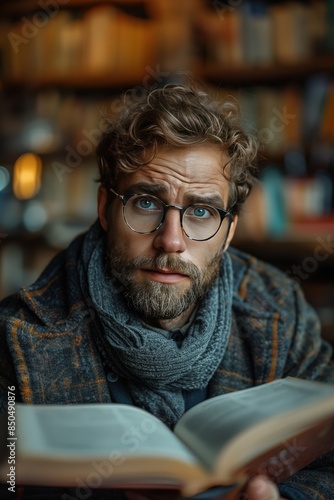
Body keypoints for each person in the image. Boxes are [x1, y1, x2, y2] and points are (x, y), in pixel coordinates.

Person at [0, 85, 333, 500]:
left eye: (200, 212)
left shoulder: (282, 311)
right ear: (105, 209)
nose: (171, 240)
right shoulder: (16, 339)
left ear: (228, 232)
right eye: (145, 203)